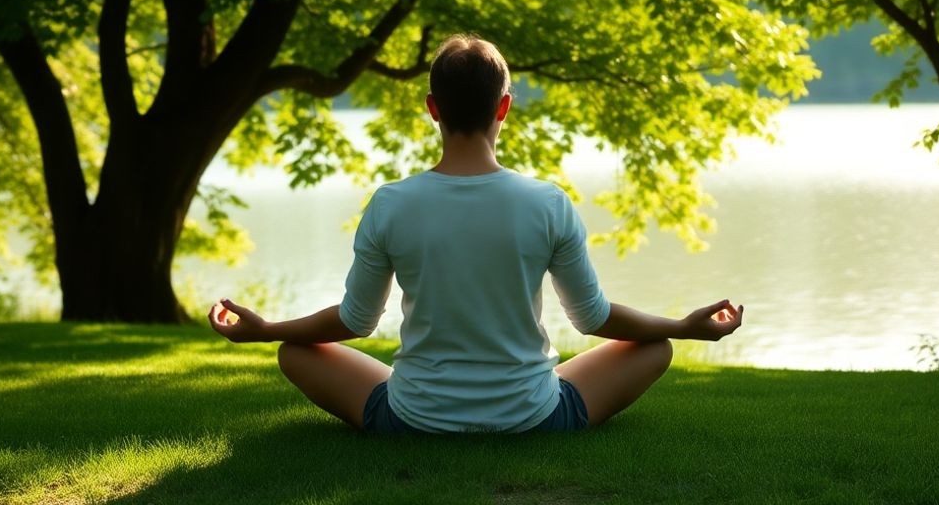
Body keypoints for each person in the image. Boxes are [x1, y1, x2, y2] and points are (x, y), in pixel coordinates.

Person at [209, 34, 744, 433]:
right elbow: (593, 319)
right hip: (535, 416)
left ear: (433, 108)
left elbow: (355, 322)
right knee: (655, 348)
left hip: (413, 418)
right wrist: (683, 327)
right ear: (504, 107)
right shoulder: (548, 202)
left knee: (294, 351)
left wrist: (267, 329)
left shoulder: (391, 203)